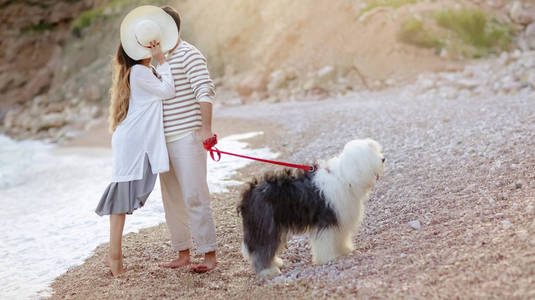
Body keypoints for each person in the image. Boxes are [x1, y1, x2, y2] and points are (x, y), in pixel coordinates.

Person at [95, 6, 179, 276]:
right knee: (121, 200)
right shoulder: (142, 72)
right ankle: (114, 258)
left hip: (132, 140)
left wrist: (156, 62)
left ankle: (114, 256)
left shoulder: (139, 71)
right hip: (134, 143)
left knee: (123, 197)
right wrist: (162, 60)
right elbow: (168, 91)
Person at [157, 5, 218, 273]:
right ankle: (182, 253)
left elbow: (205, 90)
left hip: (188, 136)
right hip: (163, 140)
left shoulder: (189, 54)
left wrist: (206, 129)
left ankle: (209, 256)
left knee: (195, 195)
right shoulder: (157, 61)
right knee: (171, 199)